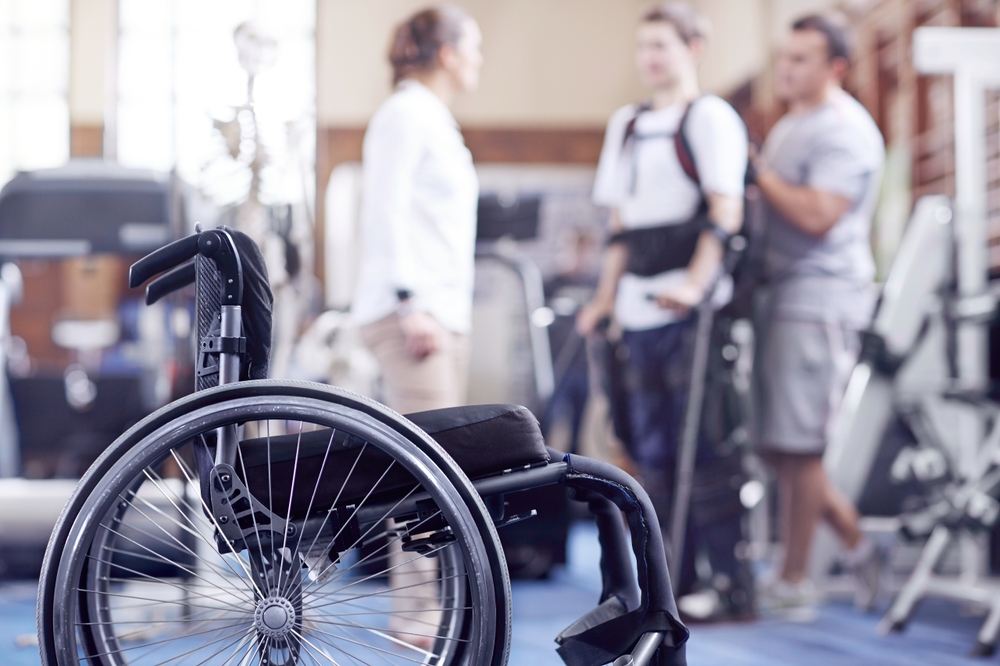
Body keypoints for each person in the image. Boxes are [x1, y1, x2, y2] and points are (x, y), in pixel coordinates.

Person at [577, 2, 753, 621]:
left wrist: (697, 285)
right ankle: (668, 582)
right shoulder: (626, 125)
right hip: (637, 311)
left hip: (691, 310)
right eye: (643, 46)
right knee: (647, 449)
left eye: (663, 46)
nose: (651, 58)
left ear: (693, 48)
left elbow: (724, 213)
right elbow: (620, 228)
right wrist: (602, 301)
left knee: (702, 448)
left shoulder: (710, 119)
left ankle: (728, 583)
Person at [351, 4, 482, 648]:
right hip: (414, 317)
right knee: (425, 473)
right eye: (474, 47)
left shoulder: (431, 115)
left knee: (441, 471)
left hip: (437, 316)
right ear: (450, 53)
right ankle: (414, 618)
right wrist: (410, 303)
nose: (480, 59)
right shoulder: (405, 113)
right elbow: (385, 212)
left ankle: (427, 613)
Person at [752, 13, 884, 611]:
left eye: (802, 58)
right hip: (782, 295)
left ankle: (794, 580)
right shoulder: (793, 124)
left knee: (801, 445)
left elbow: (816, 215)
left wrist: (756, 174)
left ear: (835, 68)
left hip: (820, 295)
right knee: (778, 446)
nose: (786, 67)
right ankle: (858, 544)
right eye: (786, 56)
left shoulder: (845, 130)